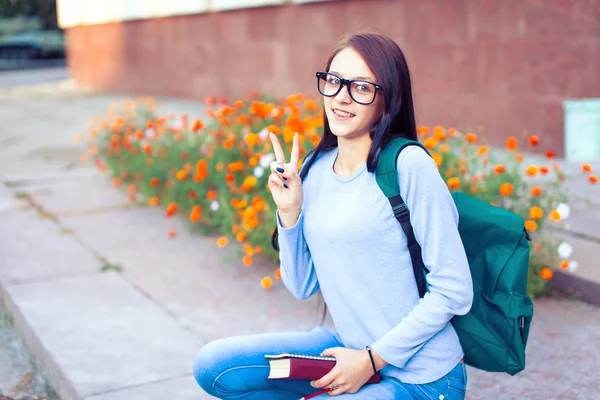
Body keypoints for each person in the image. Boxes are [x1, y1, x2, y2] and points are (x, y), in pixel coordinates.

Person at [193, 32, 474, 399]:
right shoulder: (314, 168)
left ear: (387, 97)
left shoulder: (408, 166)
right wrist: (290, 213)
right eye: (334, 81)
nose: (341, 96)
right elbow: (301, 286)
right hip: (344, 349)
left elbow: (454, 290)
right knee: (213, 367)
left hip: (421, 376)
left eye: (360, 87)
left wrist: (371, 360)